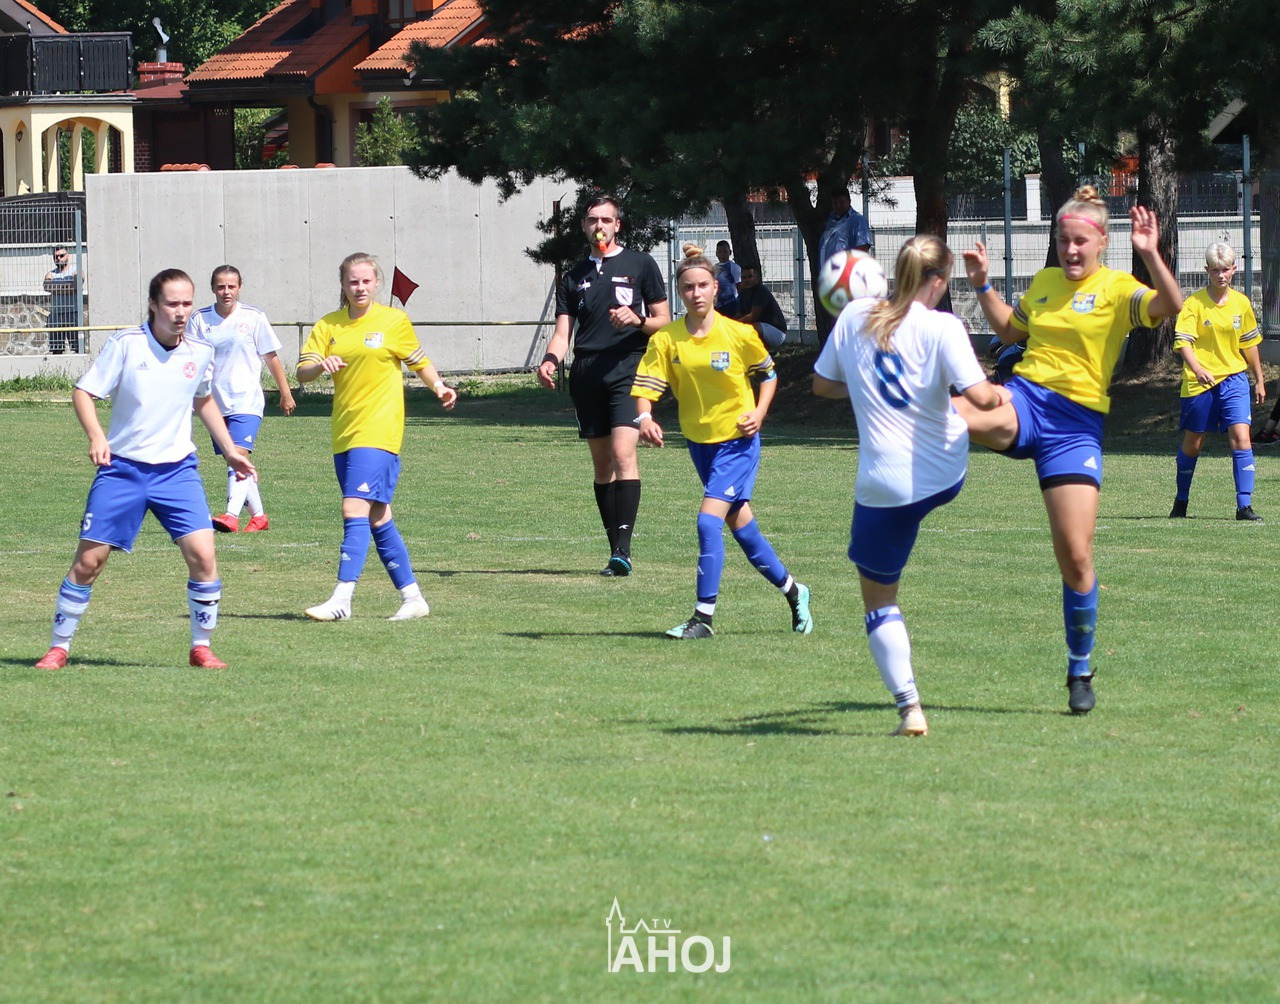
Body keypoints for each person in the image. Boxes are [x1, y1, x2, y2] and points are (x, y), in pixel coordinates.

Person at [956, 186, 1182, 715]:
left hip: (1075, 428)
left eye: (1080, 241)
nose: (1071, 250)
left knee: (1076, 556)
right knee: (948, 415)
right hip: (1025, 399)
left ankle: (1079, 667)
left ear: (1102, 242)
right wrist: (983, 284)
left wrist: (1151, 254)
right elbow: (1008, 328)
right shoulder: (1045, 282)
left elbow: (1170, 305)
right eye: (1063, 241)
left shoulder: (1118, 288)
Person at [813, 236, 1005, 736]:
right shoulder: (943, 326)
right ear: (938, 281)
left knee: (880, 602)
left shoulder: (854, 316)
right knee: (976, 411)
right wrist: (1004, 391)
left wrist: (863, 384)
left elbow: (822, 385)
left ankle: (910, 709)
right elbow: (982, 397)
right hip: (943, 474)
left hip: (884, 485)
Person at [34, 269, 256, 672]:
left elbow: (203, 399)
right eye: (172, 304)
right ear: (153, 304)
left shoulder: (200, 351)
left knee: (204, 556)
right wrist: (97, 437)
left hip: (177, 472)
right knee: (89, 563)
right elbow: (84, 392)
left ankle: (201, 647)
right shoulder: (127, 344)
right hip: (123, 470)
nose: (181, 312)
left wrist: (229, 450)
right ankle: (58, 647)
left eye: (186, 303)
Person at [632, 243, 812, 640]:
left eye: (703, 285)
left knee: (707, 521)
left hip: (737, 442)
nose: (695, 293)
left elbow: (768, 376)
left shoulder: (739, 334)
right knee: (743, 528)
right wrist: (645, 418)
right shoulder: (667, 339)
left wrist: (759, 413)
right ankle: (794, 590)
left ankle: (703, 618)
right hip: (700, 444)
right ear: (680, 292)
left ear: (716, 288)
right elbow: (646, 387)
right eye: (688, 287)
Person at [296, 252, 457, 622]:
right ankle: (413, 598)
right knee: (378, 516)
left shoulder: (393, 321)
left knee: (353, 508)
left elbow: (419, 361)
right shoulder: (328, 325)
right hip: (344, 432)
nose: (360, 287)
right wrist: (320, 365)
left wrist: (439, 386)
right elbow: (302, 372)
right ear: (343, 285)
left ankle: (342, 598)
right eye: (353, 281)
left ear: (377, 283)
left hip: (380, 430)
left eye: (366, 281)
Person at [536, 195, 670, 577]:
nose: (600, 226)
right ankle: (616, 551)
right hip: (587, 373)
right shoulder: (573, 276)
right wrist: (550, 360)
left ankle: (624, 550)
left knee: (623, 453)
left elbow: (664, 320)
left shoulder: (640, 264)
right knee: (602, 464)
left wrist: (637, 319)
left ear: (617, 225)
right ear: (584, 226)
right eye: (593, 220)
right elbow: (563, 333)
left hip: (629, 367)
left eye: (606, 220)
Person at [190, 265, 297, 533]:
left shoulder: (253, 317)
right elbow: (189, 360)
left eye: (231, 286)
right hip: (214, 404)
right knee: (234, 460)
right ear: (212, 288)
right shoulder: (200, 320)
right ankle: (259, 517)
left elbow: (271, 357)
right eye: (221, 286)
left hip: (246, 401)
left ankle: (230, 516)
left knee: (237, 454)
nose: (226, 291)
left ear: (239, 287)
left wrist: (285, 393)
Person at [1169, 241, 1264, 521]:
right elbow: (1183, 343)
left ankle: (1244, 506)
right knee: (1193, 443)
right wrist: (1198, 369)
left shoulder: (1241, 303)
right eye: (1215, 270)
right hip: (1200, 383)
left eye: (1225, 269)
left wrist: (1259, 379)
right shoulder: (1194, 304)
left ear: (1234, 269)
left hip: (1234, 380)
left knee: (1242, 439)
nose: (1220, 275)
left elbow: (1249, 343)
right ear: (1206, 270)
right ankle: (1181, 500)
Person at [817, 187, 872, 321]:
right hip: (828, 279)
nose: (838, 206)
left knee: (847, 316)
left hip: (846, 279)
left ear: (849, 201)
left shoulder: (856, 220)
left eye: (841, 202)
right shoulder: (830, 221)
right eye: (835, 203)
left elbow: (862, 247)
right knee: (832, 318)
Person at [43, 244, 80, 354]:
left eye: (61, 255)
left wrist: (56, 288)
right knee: (56, 349)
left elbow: (76, 285)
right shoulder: (51, 274)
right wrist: (68, 287)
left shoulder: (75, 271)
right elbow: (47, 286)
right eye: (56, 256)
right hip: (56, 315)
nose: (58, 258)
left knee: (78, 347)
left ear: (67, 256)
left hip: (73, 313)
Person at [714, 240, 742, 317]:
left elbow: (739, 286)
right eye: (719, 252)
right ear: (716, 254)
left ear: (730, 252)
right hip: (718, 304)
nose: (722, 254)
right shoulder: (714, 268)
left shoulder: (734, 267)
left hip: (730, 303)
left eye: (725, 251)